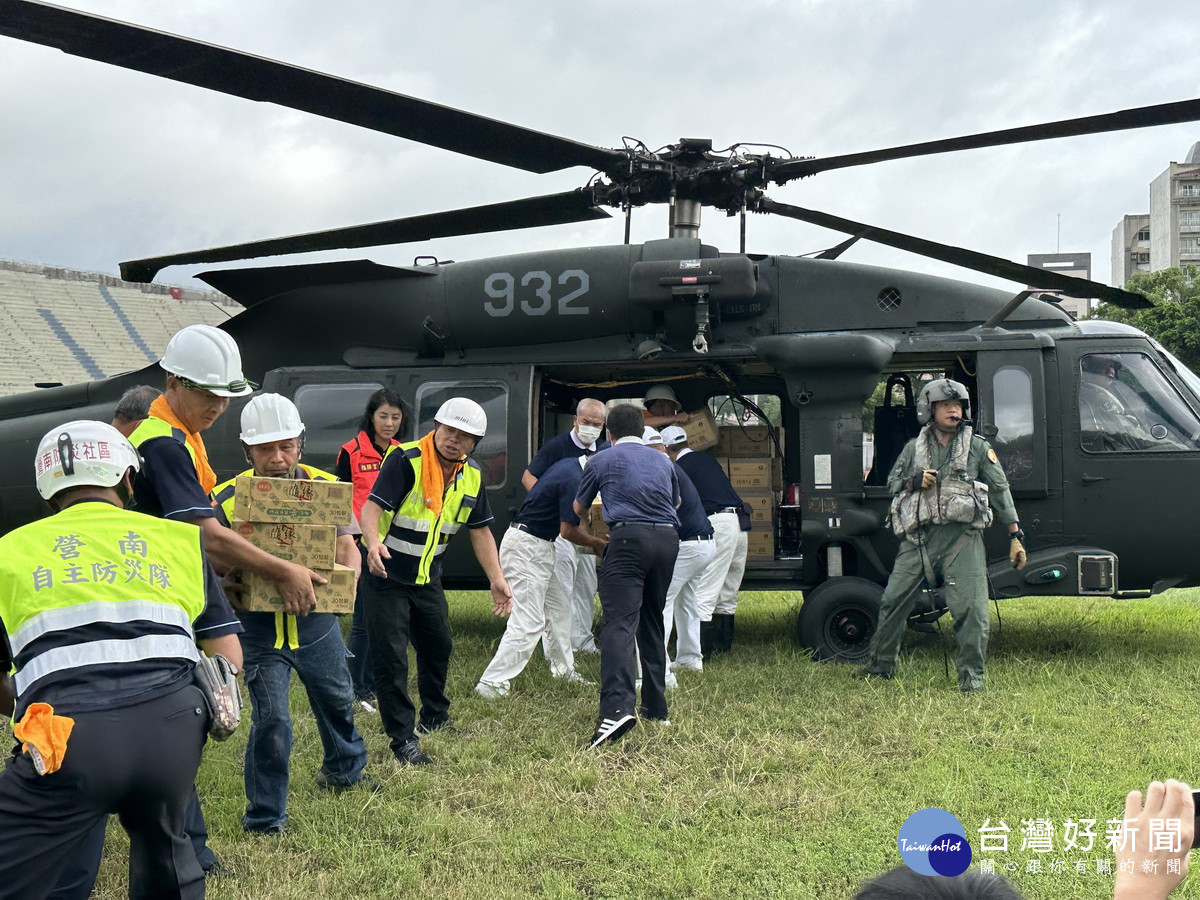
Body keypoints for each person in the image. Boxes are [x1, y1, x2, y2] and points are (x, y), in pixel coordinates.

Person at [0, 420, 243, 899]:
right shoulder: (179, 540)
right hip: (175, 727)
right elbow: (225, 649)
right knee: (169, 865)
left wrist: (29, 711)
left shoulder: (9, 552)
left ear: (49, 495)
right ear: (128, 480)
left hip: (69, 738)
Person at [125, 323, 324, 875]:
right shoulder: (163, 444)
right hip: (157, 605)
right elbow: (206, 535)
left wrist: (228, 580)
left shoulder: (182, 438)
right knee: (176, 723)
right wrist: (282, 568)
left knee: (185, 716)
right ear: (172, 382)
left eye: (225, 396)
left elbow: (199, 537)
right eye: (208, 394)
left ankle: (189, 847)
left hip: (174, 595)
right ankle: (186, 850)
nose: (218, 406)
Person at [210, 394, 371, 835]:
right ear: (248, 451)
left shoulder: (325, 488)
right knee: (273, 721)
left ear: (301, 443)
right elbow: (210, 559)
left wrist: (348, 580)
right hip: (258, 632)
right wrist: (226, 583)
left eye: (286, 447)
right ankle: (265, 818)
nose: (277, 459)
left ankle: (345, 768)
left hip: (317, 625)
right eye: (265, 449)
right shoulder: (227, 498)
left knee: (338, 699)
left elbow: (346, 547)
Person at [359, 397, 513, 765]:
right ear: (436, 429)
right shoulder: (405, 460)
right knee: (392, 659)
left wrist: (497, 579)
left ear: (475, 443)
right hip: (387, 574)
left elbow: (480, 532)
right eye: (448, 431)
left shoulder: (472, 475)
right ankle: (402, 739)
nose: (453, 440)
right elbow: (371, 509)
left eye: (464, 436)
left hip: (427, 577)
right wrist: (373, 544)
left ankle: (435, 717)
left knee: (439, 646)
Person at [856, 378, 1027, 692]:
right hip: (919, 538)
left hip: (963, 539)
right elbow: (891, 483)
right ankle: (880, 667)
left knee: (972, 611)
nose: (953, 410)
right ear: (928, 409)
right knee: (893, 601)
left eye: (958, 404)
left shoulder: (977, 448)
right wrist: (913, 480)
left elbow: (1001, 491)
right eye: (946, 404)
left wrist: (1016, 534)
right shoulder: (913, 448)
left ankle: (972, 679)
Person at [573, 404, 680, 748]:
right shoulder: (663, 460)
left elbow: (578, 508)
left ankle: (615, 710)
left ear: (609, 433)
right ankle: (656, 708)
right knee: (652, 620)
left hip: (627, 539)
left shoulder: (601, 459)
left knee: (619, 624)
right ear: (642, 429)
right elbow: (675, 503)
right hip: (667, 540)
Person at [475, 455, 603, 697]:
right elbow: (568, 530)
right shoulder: (575, 478)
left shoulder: (569, 465)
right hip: (527, 547)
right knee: (529, 620)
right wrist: (598, 544)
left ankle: (564, 670)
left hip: (540, 544)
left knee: (559, 609)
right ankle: (491, 682)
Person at [335, 388, 409, 711]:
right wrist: (350, 542)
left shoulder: (402, 453)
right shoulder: (350, 452)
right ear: (371, 416)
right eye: (383, 416)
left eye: (395, 417)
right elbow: (339, 499)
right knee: (364, 621)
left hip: (393, 546)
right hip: (362, 545)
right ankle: (354, 688)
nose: (389, 423)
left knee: (387, 620)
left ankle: (369, 684)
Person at [522, 398, 608, 656]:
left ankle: (582, 641)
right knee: (562, 586)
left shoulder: (604, 449)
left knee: (586, 584)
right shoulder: (557, 446)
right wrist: (550, 504)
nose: (591, 427)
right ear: (575, 420)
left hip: (589, 528)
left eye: (597, 424)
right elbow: (528, 477)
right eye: (586, 422)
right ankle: (558, 646)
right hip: (563, 527)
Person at [661, 424, 747, 661]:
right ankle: (722, 645)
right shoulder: (706, 460)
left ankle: (701, 654)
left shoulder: (677, 468)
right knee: (728, 590)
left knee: (704, 591)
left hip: (717, 523)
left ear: (667, 447)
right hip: (739, 522)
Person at [645, 428, 716, 680]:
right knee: (686, 601)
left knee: (659, 601)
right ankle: (689, 659)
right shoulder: (671, 466)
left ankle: (659, 670)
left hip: (688, 545)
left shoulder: (660, 470)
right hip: (704, 543)